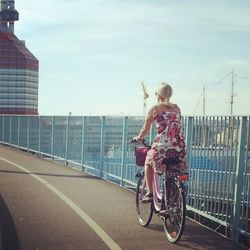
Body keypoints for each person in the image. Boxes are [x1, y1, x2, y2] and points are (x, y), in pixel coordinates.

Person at [133, 82, 187, 202]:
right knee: (173, 172)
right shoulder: (177, 108)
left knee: (148, 159)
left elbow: (145, 129)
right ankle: (173, 200)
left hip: (162, 147)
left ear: (158, 95)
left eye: (156, 92)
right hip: (179, 147)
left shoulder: (155, 109)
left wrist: (138, 138)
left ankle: (150, 193)